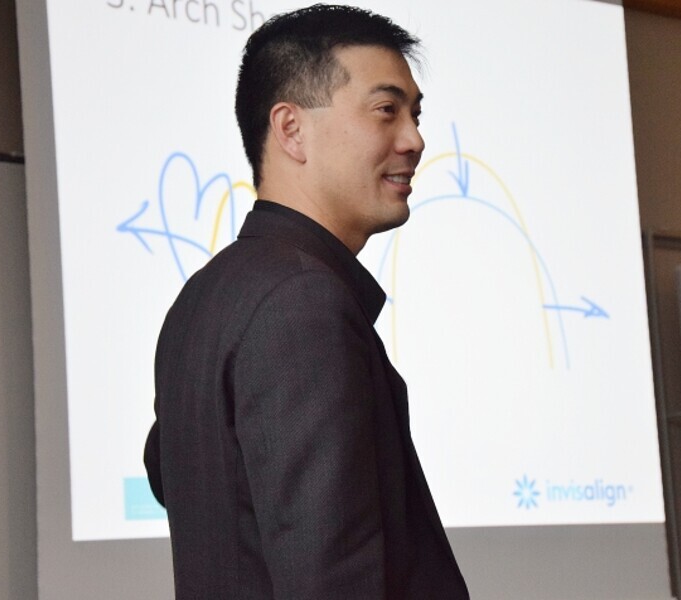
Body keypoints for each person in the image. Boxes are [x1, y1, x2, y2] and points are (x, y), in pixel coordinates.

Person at [143, 4, 470, 598]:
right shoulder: (302, 303)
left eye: (415, 115)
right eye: (386, 110)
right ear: (291, 129)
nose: (415, 139)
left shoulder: (204, 295)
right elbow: (332, 574)